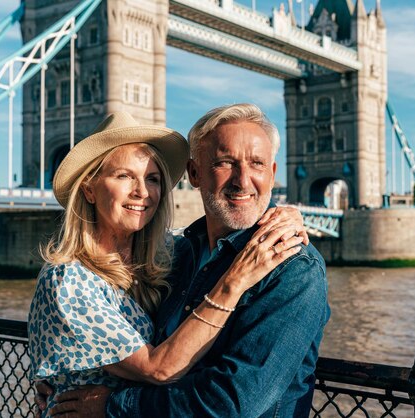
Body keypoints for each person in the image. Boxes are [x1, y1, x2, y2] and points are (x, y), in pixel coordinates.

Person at [40, 103, 330, 418]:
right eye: (225, 162)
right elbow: (155, 367)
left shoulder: (291, 265)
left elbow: (233, 402)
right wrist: (59, 375)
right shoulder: (178, 253)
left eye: (257, 164)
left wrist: (112, 406)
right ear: (194, 173)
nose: (243, 181)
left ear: (272, 175)